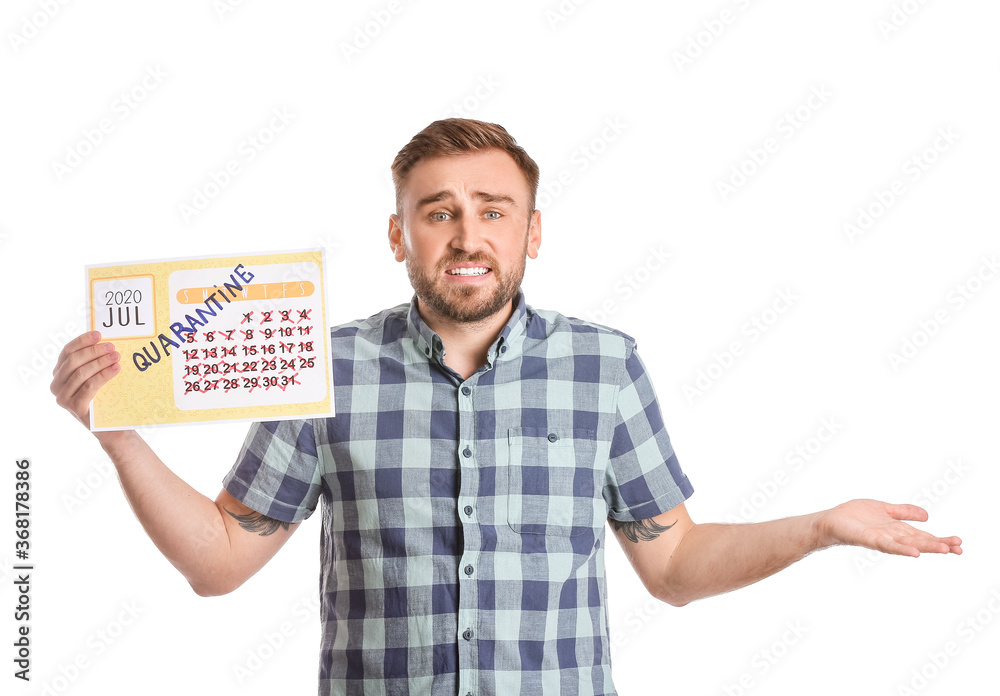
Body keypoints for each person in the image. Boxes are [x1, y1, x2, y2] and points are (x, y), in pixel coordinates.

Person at [52, 118, 962, 696]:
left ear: (532, 232)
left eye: (493, 210)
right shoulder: (324, 365)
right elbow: (218, 563)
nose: (467, 233)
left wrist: (821, 528)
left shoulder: (604, 366)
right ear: (399, 236)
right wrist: (119, 430)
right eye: (439, 211)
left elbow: (675, 565)